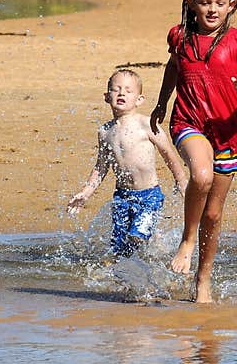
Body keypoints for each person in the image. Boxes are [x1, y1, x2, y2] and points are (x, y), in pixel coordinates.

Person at [150, 0, 237, 303]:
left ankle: (203, 281)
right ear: (192, 4)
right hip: (188, 122)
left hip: (228, 131)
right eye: (204, 3)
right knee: (200, 176)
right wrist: (162, 103)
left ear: (232, 5)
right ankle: (187, 240)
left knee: (213, 214)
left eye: (219, 3)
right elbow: (173, 67)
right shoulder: (180, 36)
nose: (212, 9)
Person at [67, 69, 188, 257]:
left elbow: (168, 154)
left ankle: (157, 258)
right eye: (116, 90)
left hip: (149, 196)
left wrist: (181, 180)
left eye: (128, 90)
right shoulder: (105, 131)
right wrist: (86, 193)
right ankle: (125, 279)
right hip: (122, 197)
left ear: (139, 99)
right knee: (119, 248)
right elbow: (101, 167)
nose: (121, 93)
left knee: (137, 237)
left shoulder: (147, 124)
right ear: (107, 97)